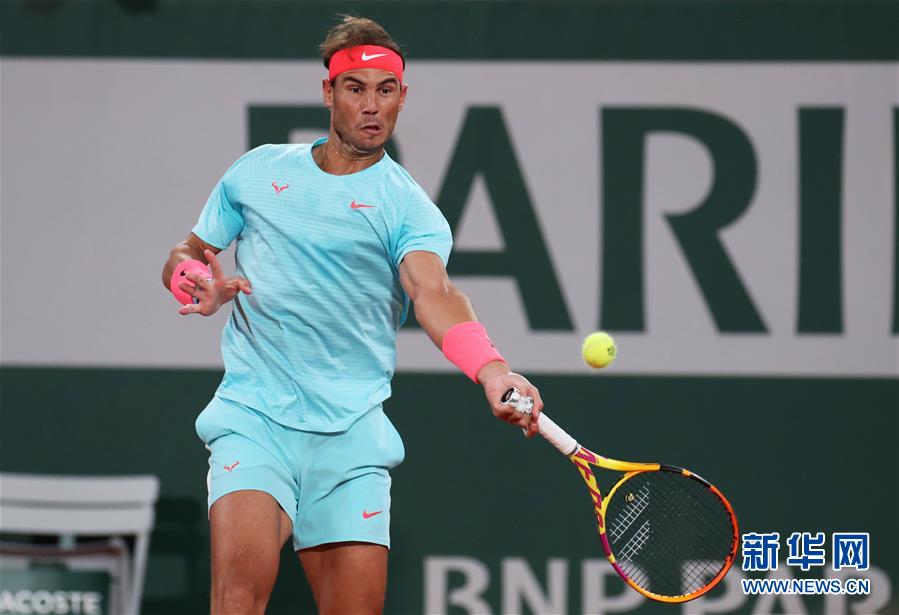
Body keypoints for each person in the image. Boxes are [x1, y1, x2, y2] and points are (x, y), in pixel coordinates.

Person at [161, 15, 543, 615]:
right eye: (355, 88)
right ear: (328, 92)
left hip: (351, 436)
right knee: (237, 598)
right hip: (255, 418)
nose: (371, 106)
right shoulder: (259, 172)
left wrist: (493, 369)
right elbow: (188, 251)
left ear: (402, 98)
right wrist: (193, 277)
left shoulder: (408, 208)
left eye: (385, 91)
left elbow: (434, 293)